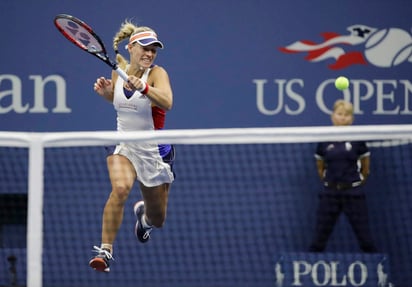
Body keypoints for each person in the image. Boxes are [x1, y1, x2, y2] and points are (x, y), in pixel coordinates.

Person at [88, 20, 175, 272]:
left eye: (153, 50)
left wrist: (145, 87)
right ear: (131, 47)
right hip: (123, 144)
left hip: (153, 151)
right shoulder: (118, 71)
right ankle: (105, 251)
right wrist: (107, 93)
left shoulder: (158, 74)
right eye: (144, 48)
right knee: (121, 188)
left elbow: (167, 102)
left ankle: (144, 220)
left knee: (157, 219)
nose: (149, 54)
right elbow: (124, 106)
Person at [308, 99, 377, 253]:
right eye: (339, 114)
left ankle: (380, 275)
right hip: (330, 195)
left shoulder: (358, 141)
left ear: (351, 119)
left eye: (347, 115)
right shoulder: (325, 141)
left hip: (353, 195)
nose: (343, 117)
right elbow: (320, 167)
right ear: (333, 116)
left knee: (366, 240)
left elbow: (365, 168)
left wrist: (353, 183)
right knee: (318, 241)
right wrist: (331, 182)